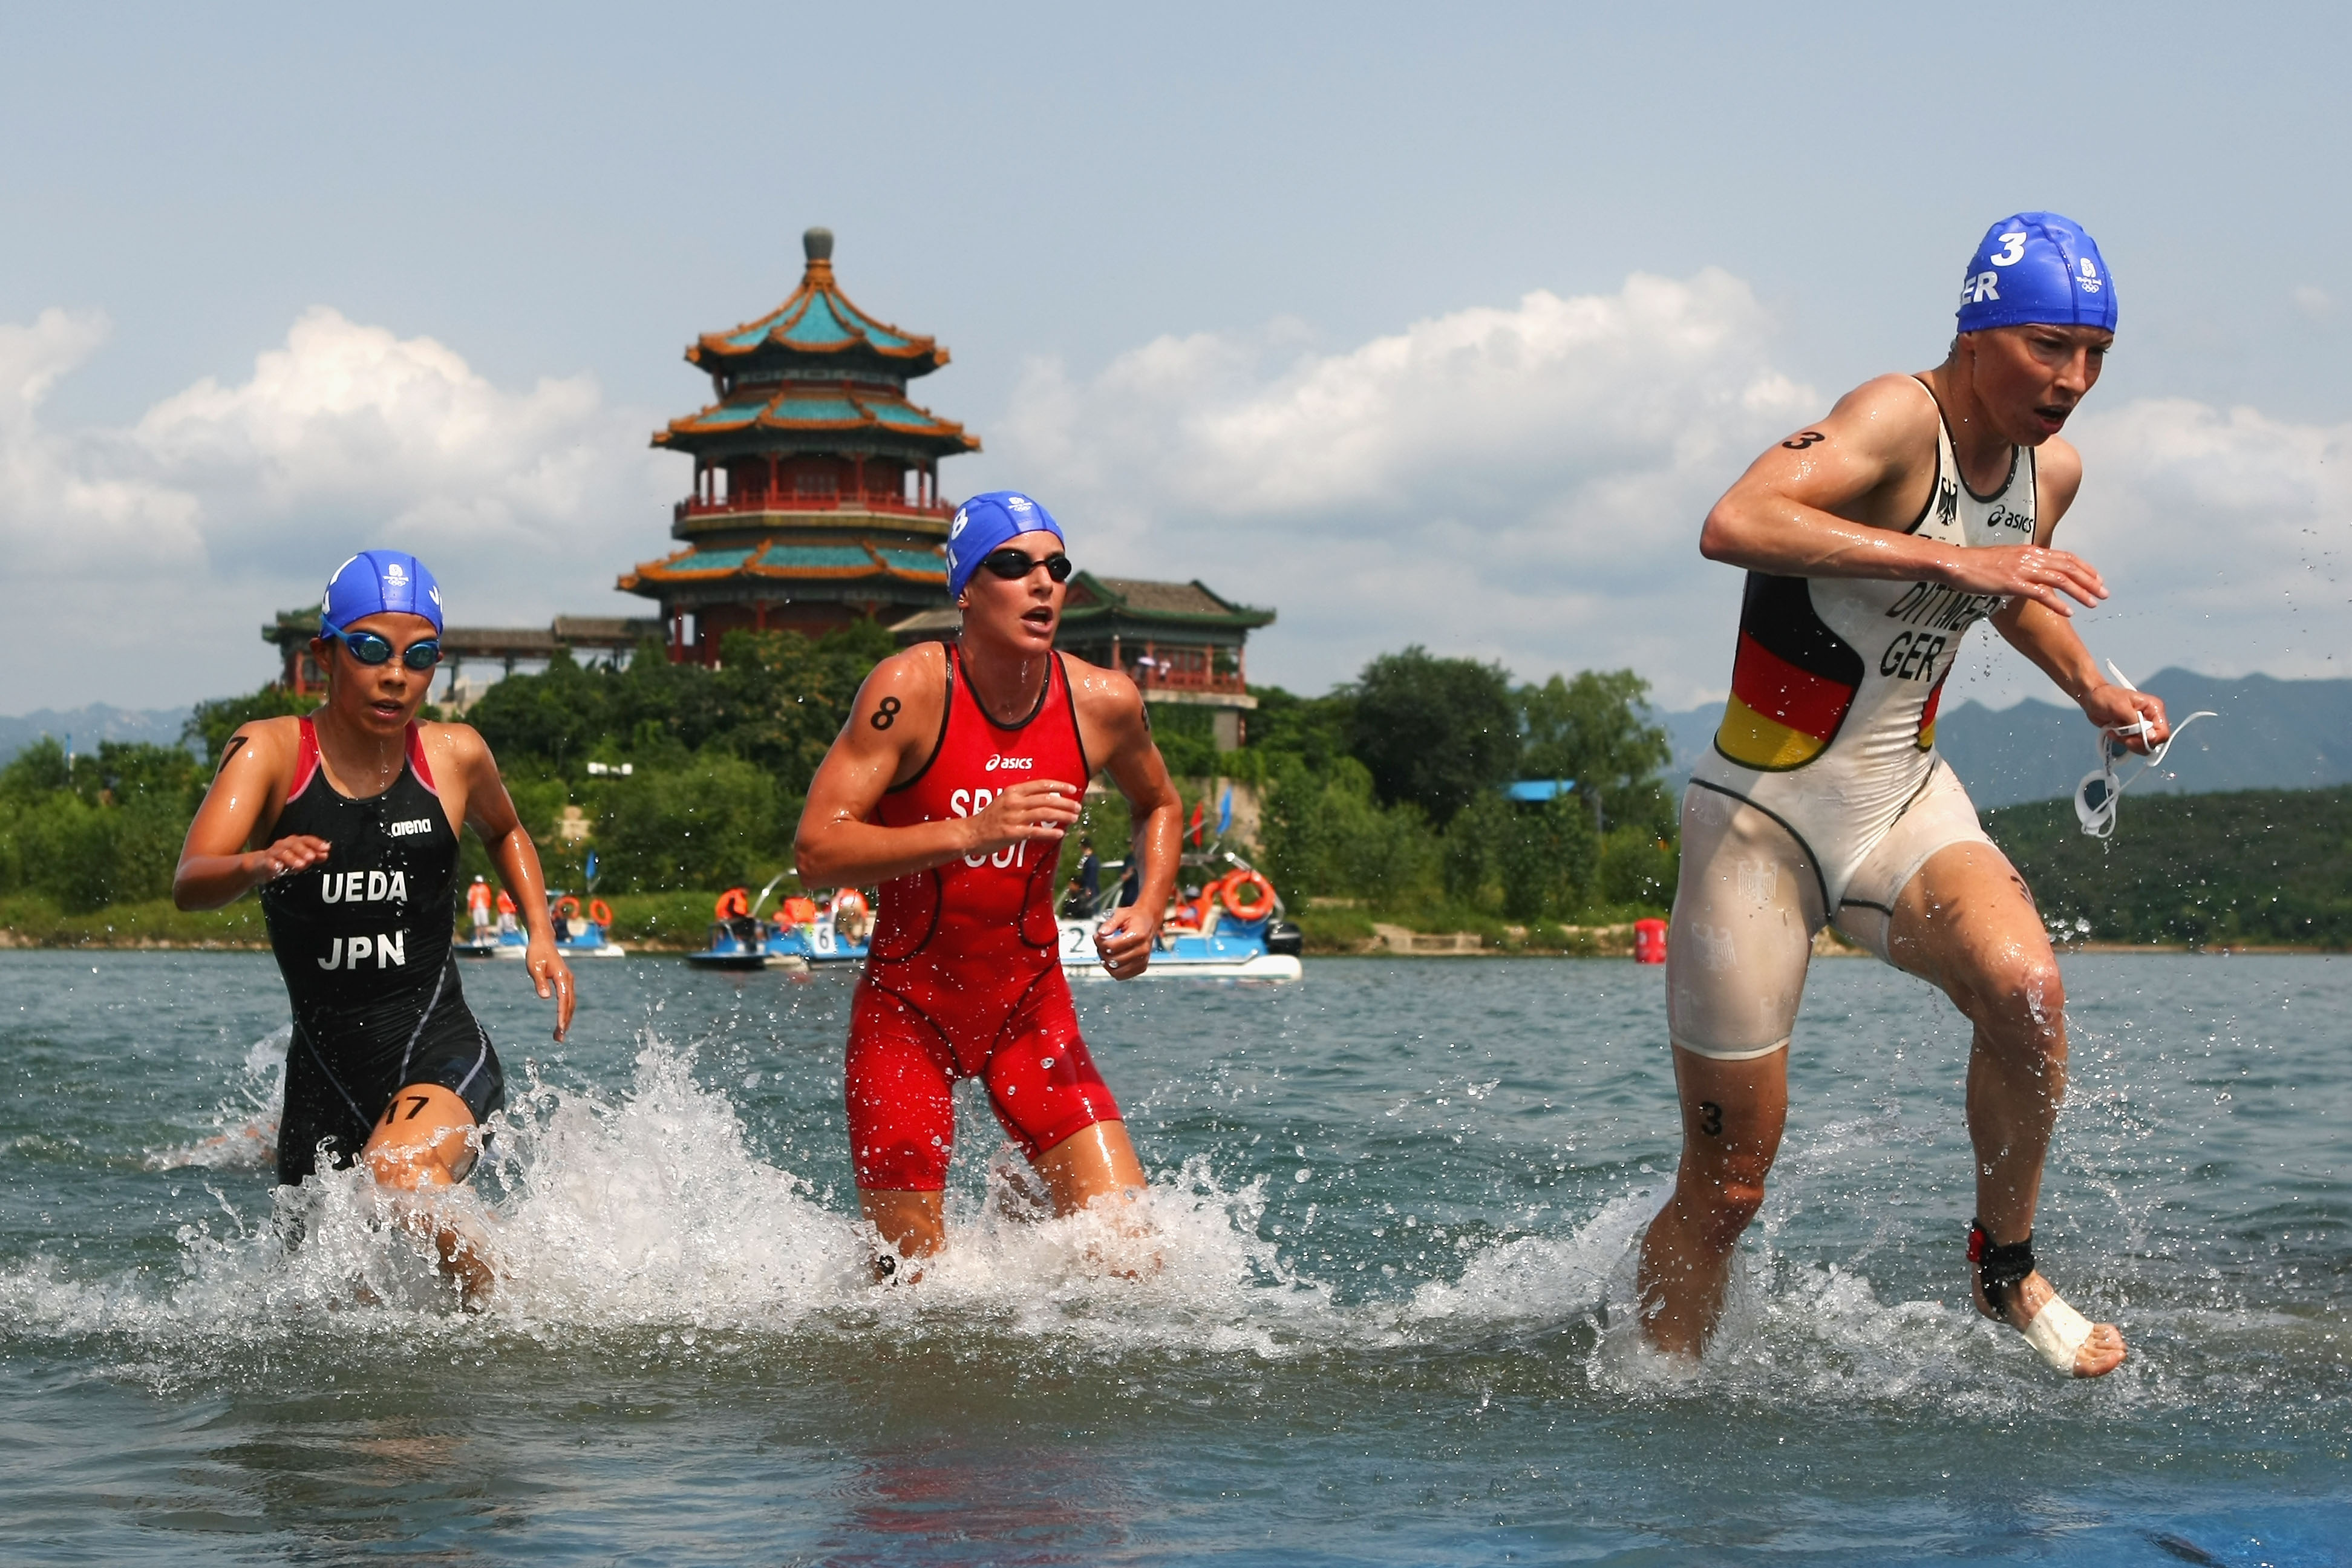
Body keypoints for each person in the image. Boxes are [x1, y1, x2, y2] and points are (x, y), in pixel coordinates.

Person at [1636, 214, 2156, 1378]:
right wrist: (1950, 561)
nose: (2071, 382)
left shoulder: (2047, 469)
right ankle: (1656, 1394)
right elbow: (1736, 522)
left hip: (1900, 801)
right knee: (1726, 1189)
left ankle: (2002, 1260)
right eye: (2044, 346)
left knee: (2024, 989)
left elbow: (2007, 586)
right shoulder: (1890, 415)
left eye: (2094, 354)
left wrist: (2090, 687)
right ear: (1975, 332)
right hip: (1758, 824)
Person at [795, 490, 1183, 1273]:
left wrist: (1149, 906)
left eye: (1056, 567)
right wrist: (972, 831)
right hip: (908, 1011)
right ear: (965, 587)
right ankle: (1007, 1213)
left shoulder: (1103, 702)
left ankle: (1020, 1208)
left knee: (1135, 1265)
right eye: (1013, 565)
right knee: (911, 1288)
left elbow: (1161, 804)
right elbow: (819, 849)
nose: (1042, 583)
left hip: (1030, 1007)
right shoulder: (908, 690)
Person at [174, 550, 575, 1301]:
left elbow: (508, 831)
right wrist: (256, 864)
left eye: (418, 658)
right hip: (323, 1073)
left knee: (400, 1172)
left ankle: (523, 1316)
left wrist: (540, 933)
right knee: (318, 1309)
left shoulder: (455, 755)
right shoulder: (271, 752)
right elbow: (191, 881)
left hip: (438, 1044)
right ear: (324, 654)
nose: (396, 675)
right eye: (370, 650)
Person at [466, 875, 495, 943]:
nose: (479, 883)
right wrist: (469, 910)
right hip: (476, 908)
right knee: (477, 924)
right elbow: (469, 899)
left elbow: (489, 898)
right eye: (478, 882)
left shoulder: (486, 888)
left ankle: (486, 937)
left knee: (485, 923)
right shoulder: (472, 888)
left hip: (484, 907)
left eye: (480, 882)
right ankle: (478, 938)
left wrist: (488, 908)